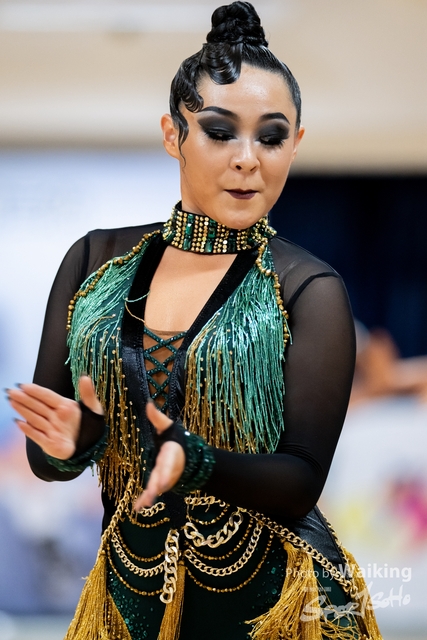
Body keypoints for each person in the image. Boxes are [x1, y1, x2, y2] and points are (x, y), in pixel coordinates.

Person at [7, 3, 383, 639]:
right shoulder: (95, 261)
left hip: (280, 605)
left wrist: (198, 462)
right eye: (219, 132)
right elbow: (46, 460)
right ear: (172, 134)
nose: (247, 159)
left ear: (295, 144)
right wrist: (80, 445)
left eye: (271, 137)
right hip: (131, 597)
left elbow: (299, 481)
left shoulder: (308, 288)